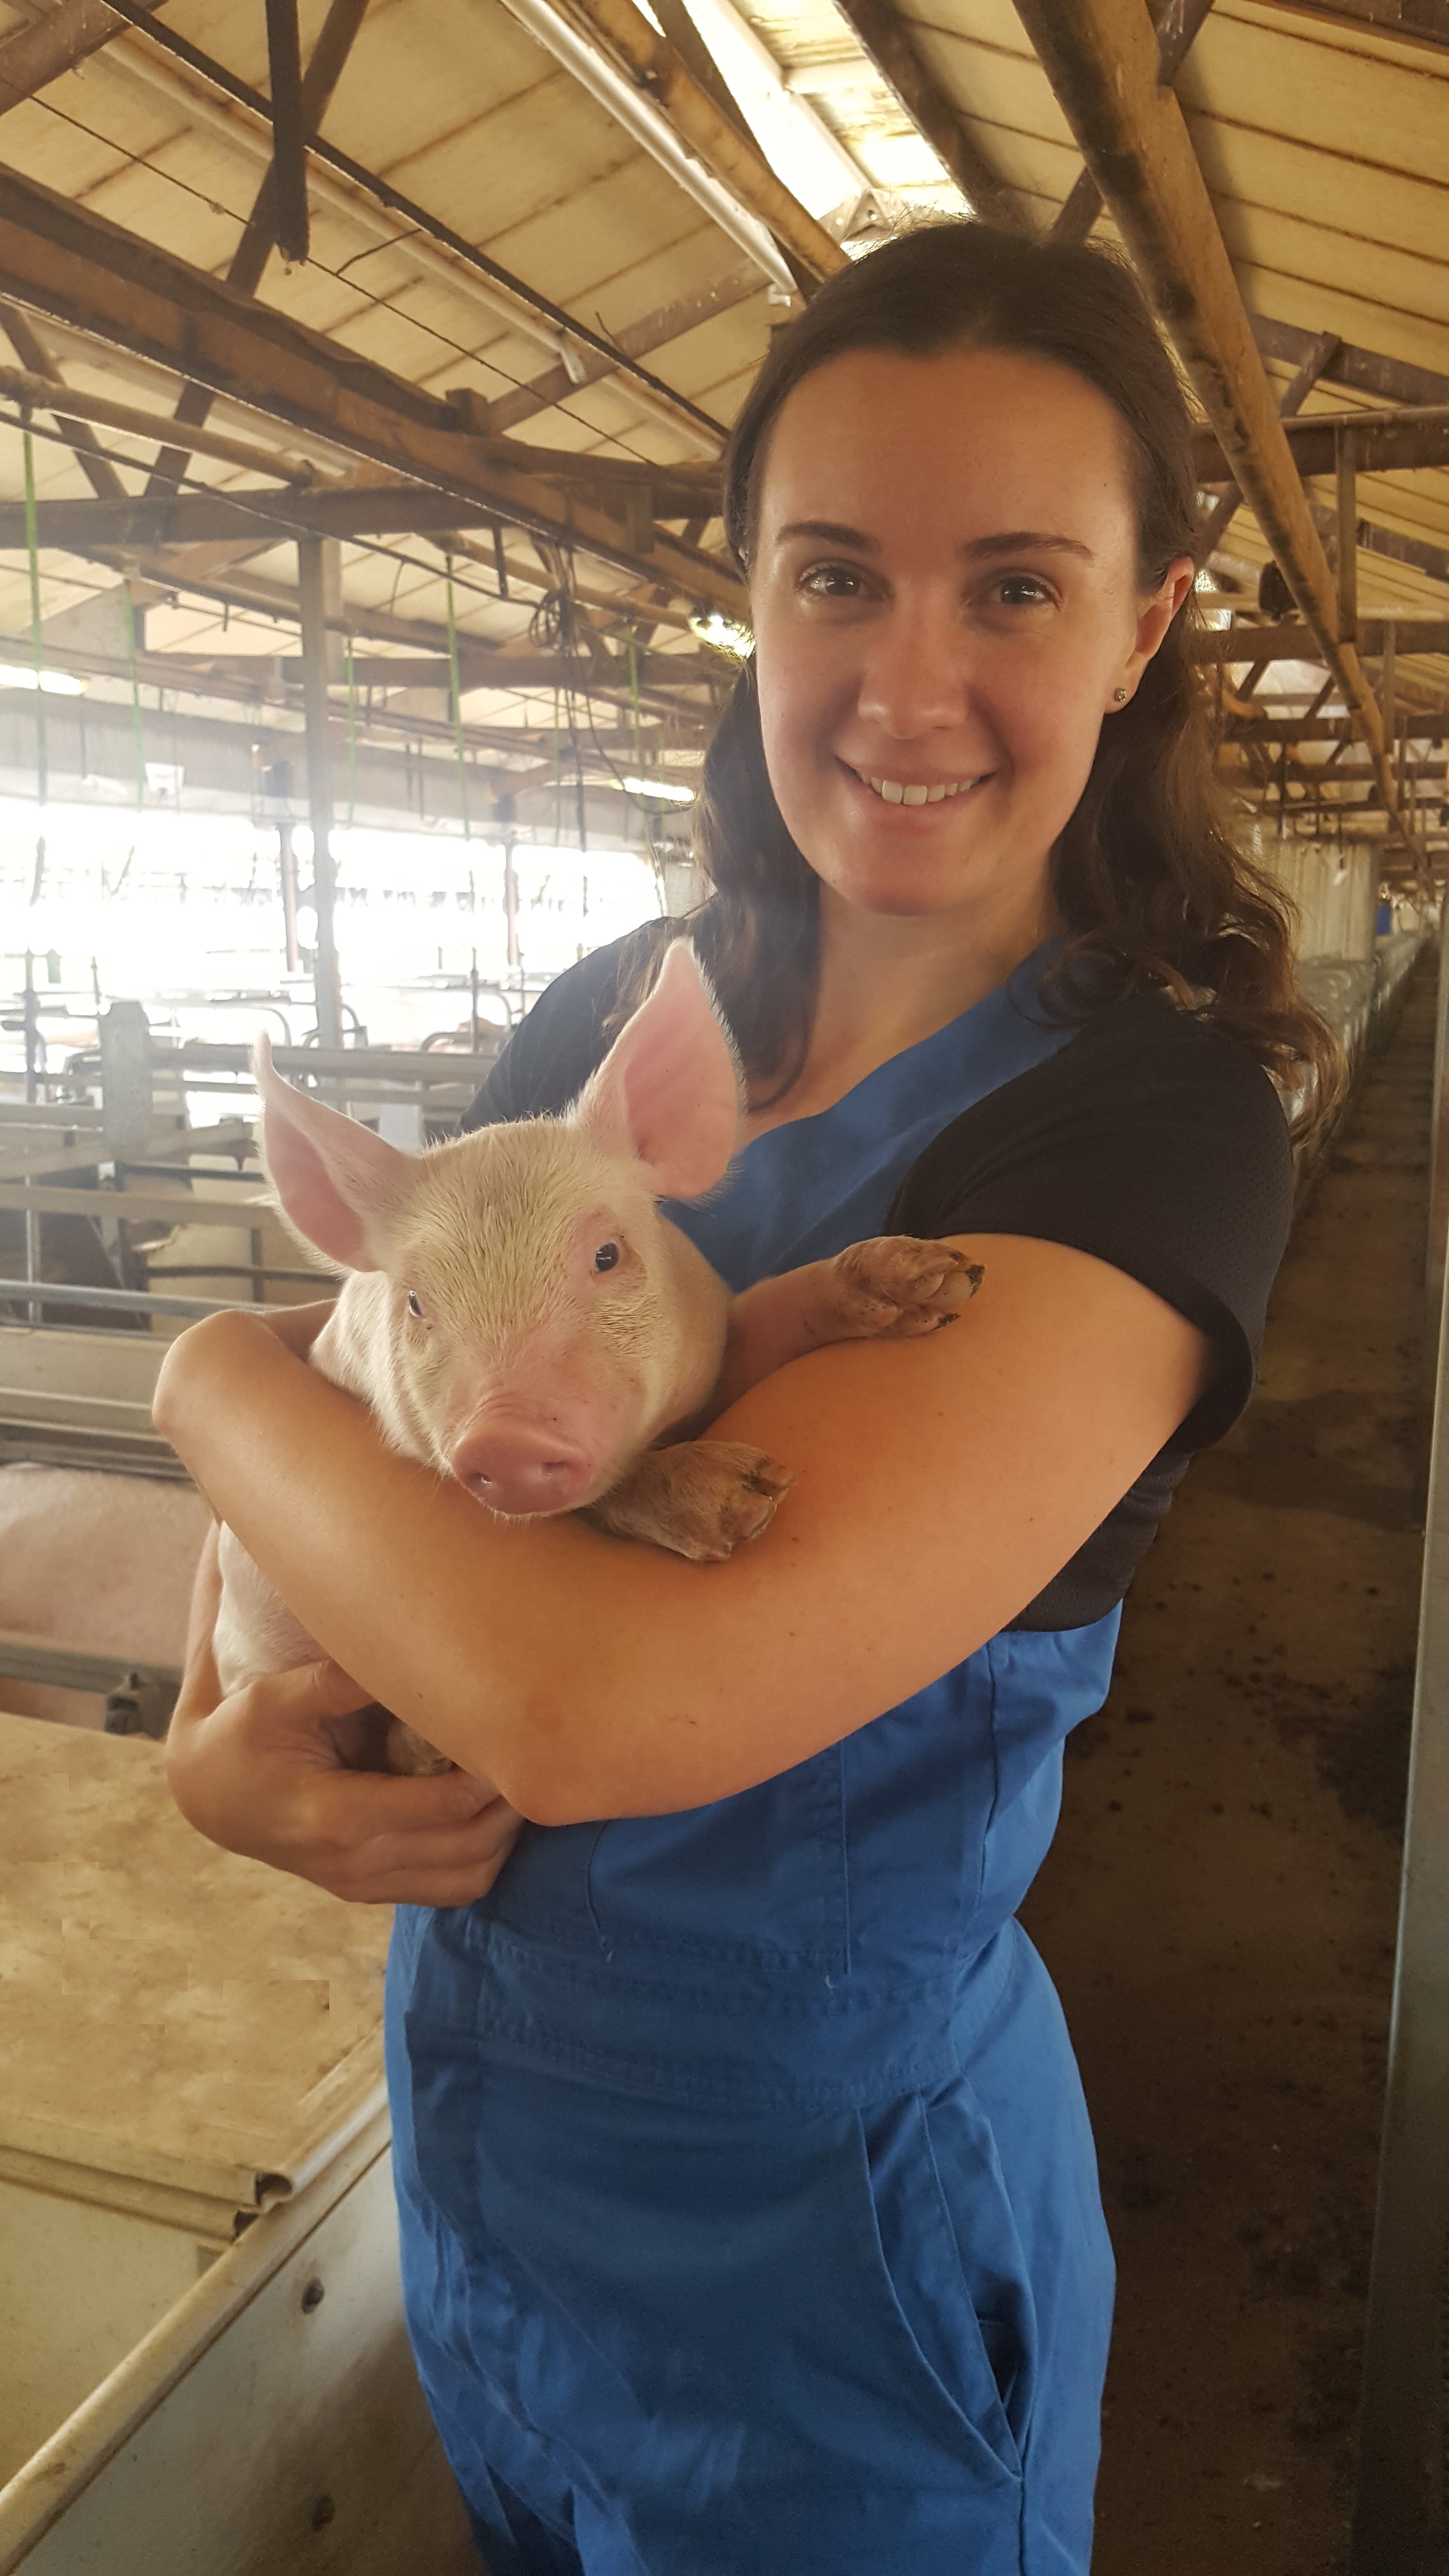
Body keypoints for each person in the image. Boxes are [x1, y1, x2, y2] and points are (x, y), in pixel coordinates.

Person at [156, 221, 1336, 2575]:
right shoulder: (613, 1008)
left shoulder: (1146, 1122)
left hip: (831, 2268)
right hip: (491, 2176)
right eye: (835, 578)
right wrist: (214, 1731)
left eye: (1014, 586)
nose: (907, 682)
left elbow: (595, 1704)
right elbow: (377, 1377)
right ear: (753, 604)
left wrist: (198, 1373)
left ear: (1148, 620)